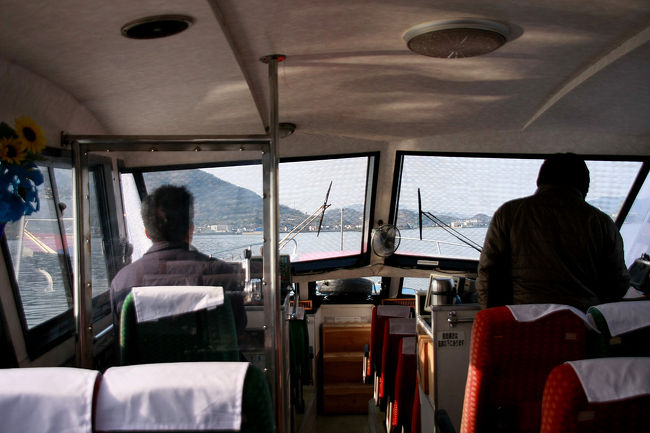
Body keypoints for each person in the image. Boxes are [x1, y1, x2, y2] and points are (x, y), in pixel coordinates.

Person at [476, 153, 630, 311]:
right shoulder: (603, 223)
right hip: (581, 324)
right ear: (585, 186)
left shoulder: (509, 213)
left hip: (521, 323)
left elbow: (488, 275)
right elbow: (617, 285)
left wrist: (495, 319)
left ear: (540, 181)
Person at [109, 184, 246, 333]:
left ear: (147, 233)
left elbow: (121, 336)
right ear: (191, 229)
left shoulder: (122, 281)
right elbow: (237, 328)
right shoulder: (222, 274)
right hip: (207, 357)